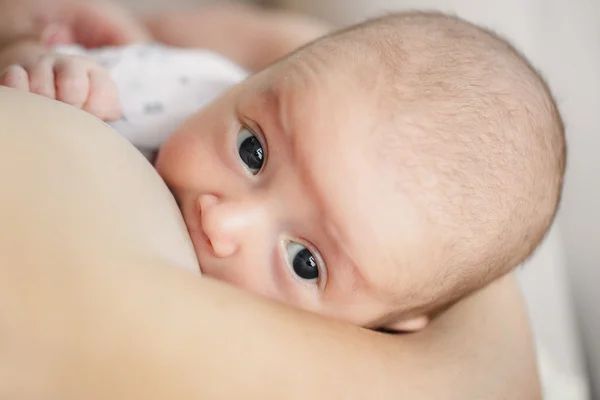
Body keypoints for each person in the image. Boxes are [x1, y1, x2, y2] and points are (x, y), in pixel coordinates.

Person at [0, 10, 565, 332]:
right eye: (252, 152)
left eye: (305, 262)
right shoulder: (158, 89)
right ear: (250, 80)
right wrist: (43, 69)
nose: (223, 226)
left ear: (380, 327)